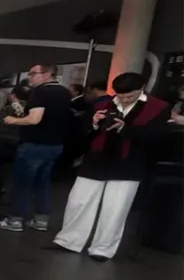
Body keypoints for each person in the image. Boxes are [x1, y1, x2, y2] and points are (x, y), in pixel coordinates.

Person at [53, 72, 171, 260]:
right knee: (79, 201)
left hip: (129, 163)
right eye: (120, 96)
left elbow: (156, 136)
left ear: (141, 89)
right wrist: (93, 123)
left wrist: (124, 128)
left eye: (129, 96)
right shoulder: (101, 104)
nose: (124, 100)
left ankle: (102, 249)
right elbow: (82, 132)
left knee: (115, 208)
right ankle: (69, 240)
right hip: (96, 159)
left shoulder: (158, 107)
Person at [0, 64, 74, 232]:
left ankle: (15, 220)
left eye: (33, 74)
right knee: (43, 183)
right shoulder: (65, 92)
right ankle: (41, 219)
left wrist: (13, 120)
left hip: (35, 144)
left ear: (47, 74)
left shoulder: (40, 92)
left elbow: (34, 119)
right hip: (55, 145)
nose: (29, 77)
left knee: (22, 183)